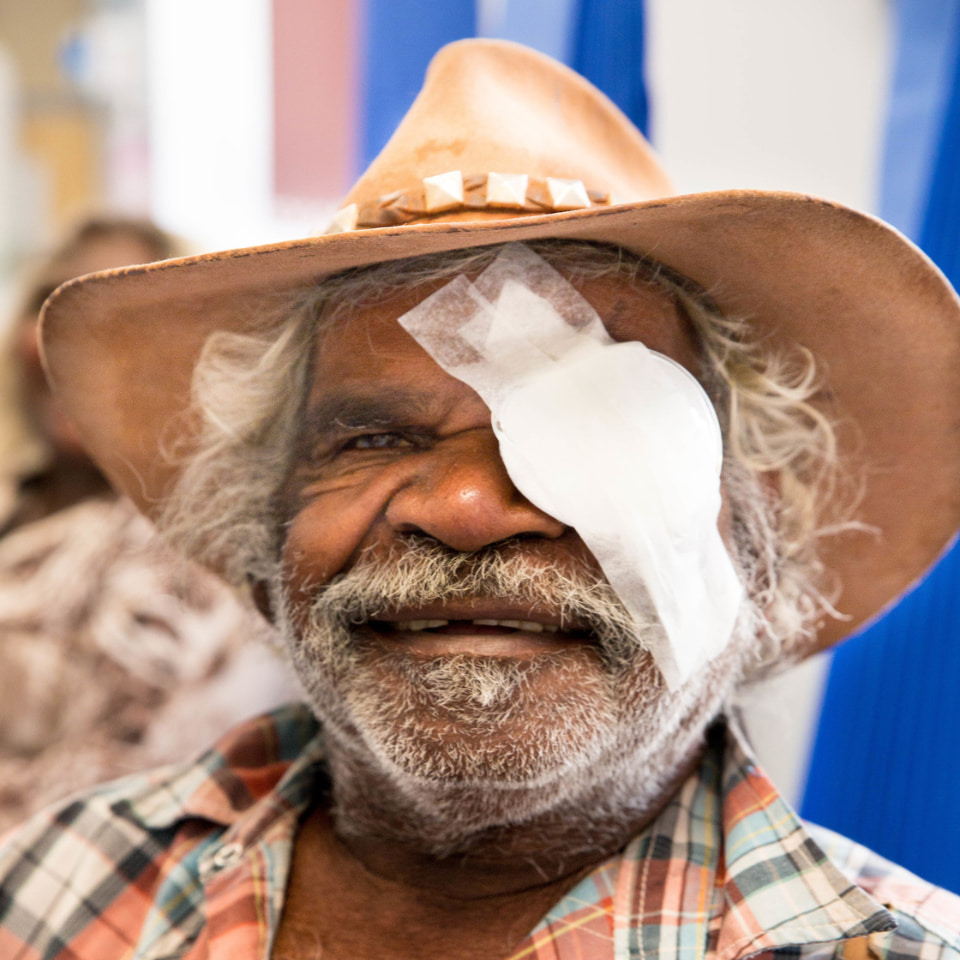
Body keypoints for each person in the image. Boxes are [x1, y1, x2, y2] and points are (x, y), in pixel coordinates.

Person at [1, 39, 959, 960]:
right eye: (374, 438)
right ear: (262, 551)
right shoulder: (54, 888)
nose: (465, 505)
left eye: (603, 433)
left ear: (760, 540)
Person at [0, 216, 296, 830]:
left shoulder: (193, 558)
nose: (70, 341)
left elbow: (126, 789)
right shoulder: (18, 502)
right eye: (49, 304)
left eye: (120, 319)